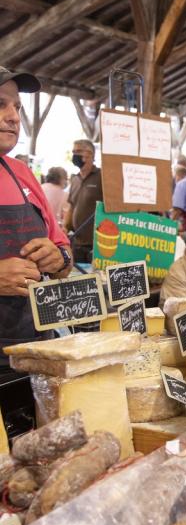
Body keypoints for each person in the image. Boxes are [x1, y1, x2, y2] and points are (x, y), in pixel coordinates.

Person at [0, 66, 72, 367]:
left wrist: (59, 258)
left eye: (17, 107)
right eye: (0, 105)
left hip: (33, 349)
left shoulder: (22, 174)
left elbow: (64, 253)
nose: (14, 117)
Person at [64, 139, 102, 263]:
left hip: (96, 244)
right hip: (77, 242)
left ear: (90, 154)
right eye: (73, 151)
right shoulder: (75, 179)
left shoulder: (102, 177)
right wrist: (65, 227)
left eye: (79, 151)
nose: (75, 155)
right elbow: (72, 206)